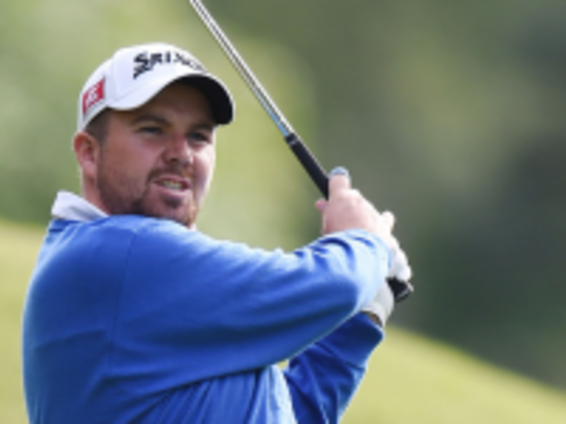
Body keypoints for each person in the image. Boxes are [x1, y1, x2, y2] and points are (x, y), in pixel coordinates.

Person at [22, 42, 412, 424]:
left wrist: (368, 309)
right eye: (153, 129)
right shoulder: (116, 254)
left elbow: (287, 414)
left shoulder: (154, 295)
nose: (181, 153)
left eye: (198, 136)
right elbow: (334, 284)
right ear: (89, 153)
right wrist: (363, 240)